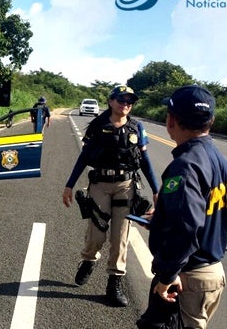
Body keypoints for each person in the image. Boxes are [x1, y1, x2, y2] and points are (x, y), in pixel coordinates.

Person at [138, 85, 227, 328]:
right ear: (211, 120)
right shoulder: (225, 164)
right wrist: (162, 216)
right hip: (212, 275)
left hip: (187, 277)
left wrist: (168, 275)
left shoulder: (185, 166)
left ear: (170, 120)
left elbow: (187, 227)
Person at [62, 85, 160, 307]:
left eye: (130, 101)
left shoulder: (137, 128)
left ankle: (114, 282)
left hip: (126, 186)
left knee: (120, 236)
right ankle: (88, 259)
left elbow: (145, 161)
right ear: (111, 101)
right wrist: (69, 185)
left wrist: (155, 190)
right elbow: (84, 156)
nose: (126, 104)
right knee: (97, 233)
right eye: (121, 100)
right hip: (100, 185)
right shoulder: (98, 125)